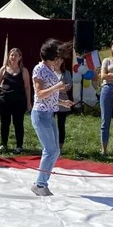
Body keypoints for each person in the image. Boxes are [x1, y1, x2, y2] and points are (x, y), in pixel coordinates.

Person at [30, 40, 72, 197]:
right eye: (58, 55)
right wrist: (57, 87)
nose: (60, 59)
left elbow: (50, 95)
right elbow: (40, 94)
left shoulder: (51, 69)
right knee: (50, 150)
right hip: (40, 114)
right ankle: (40, 184)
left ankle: (42, 183)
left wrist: (62, 101)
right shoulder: (39, 69)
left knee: (55, 151)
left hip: (49, 113)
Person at [0, 47, 32, 153]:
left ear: (20, 57)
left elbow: (27, 87)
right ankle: (3, 144)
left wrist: (29, 102)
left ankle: (19, 146)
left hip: (19, 101)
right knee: (4, 123)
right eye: (12, 55)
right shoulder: (3, 69)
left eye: (16, 55)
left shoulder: (24, 70)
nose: (13, 57)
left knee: (18, 123)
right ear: (9, 56)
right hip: (4, 100)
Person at [56, 43, 74, 147]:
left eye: (60, 59)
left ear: (62, 61)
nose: (58, 61)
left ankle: (60, 145)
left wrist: (54, 89)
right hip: (50, 103)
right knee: (50, 125)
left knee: (61, 125)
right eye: (56, 59)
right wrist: (59, 87)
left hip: (63, 103)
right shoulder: (49, 72)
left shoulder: (66, 73)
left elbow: (68, 86)